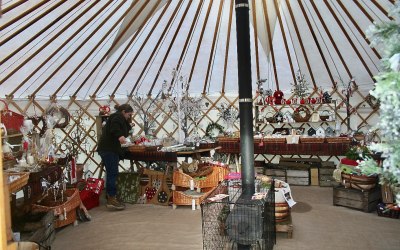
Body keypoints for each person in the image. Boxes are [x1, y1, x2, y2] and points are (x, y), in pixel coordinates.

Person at [97, 104, 133, 210]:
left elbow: (122, 128)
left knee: (111, 172)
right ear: (123, 112)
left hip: (108, 149)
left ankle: (111, 196)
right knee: (113, 173)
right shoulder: (117, 117)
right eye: (128, 114)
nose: (129, 117)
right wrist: (120, 136)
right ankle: (111, 199)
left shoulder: (117, 117)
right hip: (109, 150)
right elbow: (115, 128)